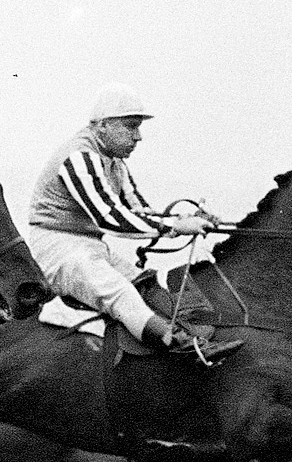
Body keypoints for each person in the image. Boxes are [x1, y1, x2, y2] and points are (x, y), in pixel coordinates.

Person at [24, 85, 238, 363]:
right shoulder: (79, 157)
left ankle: (185, 333)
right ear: (102, 125)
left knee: (144, 283)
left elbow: (138, 210)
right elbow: (110, 218)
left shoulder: (116, 163)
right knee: (121, 293)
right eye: (130, 127)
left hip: (89, 245)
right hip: (56, 247)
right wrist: (175, 227)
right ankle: (183, 346)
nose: (138, 137)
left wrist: (188, 220)